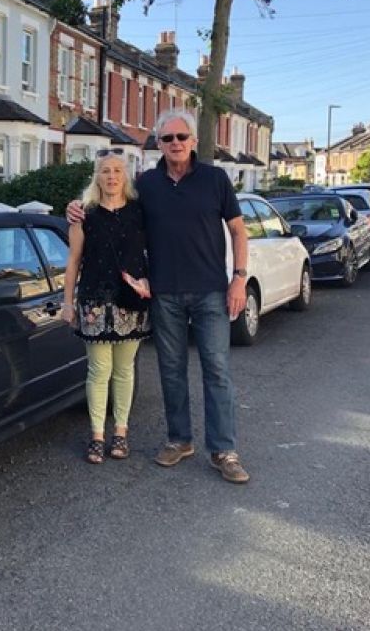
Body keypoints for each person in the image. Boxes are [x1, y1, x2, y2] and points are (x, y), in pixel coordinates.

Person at [67, 109, 251, 483]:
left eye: (181, 137)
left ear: (193, 141)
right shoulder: (147, 185)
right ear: (158, 144)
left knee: (216, 371)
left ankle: (224, 450)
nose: (176, 144)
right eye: (167, 139)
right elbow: (109, 199)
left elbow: (238, 231)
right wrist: (74, 208)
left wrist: (239, 279)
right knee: (171, 371)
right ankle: (179, 439)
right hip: (163, 293)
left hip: (210, 291)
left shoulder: (215, 179)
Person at [63, 151, 151, 464]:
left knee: (125, 370)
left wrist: (149, 282)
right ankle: (98, 435)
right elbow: (73, 261)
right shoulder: (83, 213)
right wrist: (67, 302)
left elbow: (154, 252)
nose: (111, 177)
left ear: (125, 176)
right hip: (94, 301)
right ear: (96, 177)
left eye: (116, 171)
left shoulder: (140, 211)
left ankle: (121, 433)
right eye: (105, 171)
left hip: (131, 300)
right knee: (99, 370)